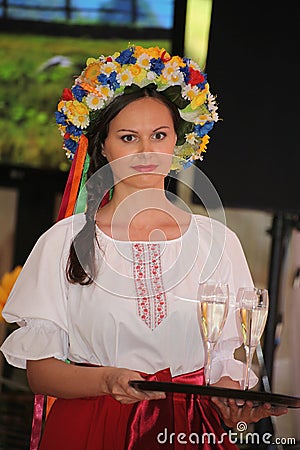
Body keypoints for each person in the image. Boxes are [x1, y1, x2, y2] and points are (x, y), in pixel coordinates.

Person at [0, 45, 287, 450]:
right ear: (102, 146)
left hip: (190, 427)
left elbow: (227, 358)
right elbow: (41, 373)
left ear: (177, 142)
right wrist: (106, 379)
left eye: (159, 135)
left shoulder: (218, 241)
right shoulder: (63, 241)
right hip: (92, 423)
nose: (146, 152)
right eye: (128, 137)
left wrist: (228, 398)